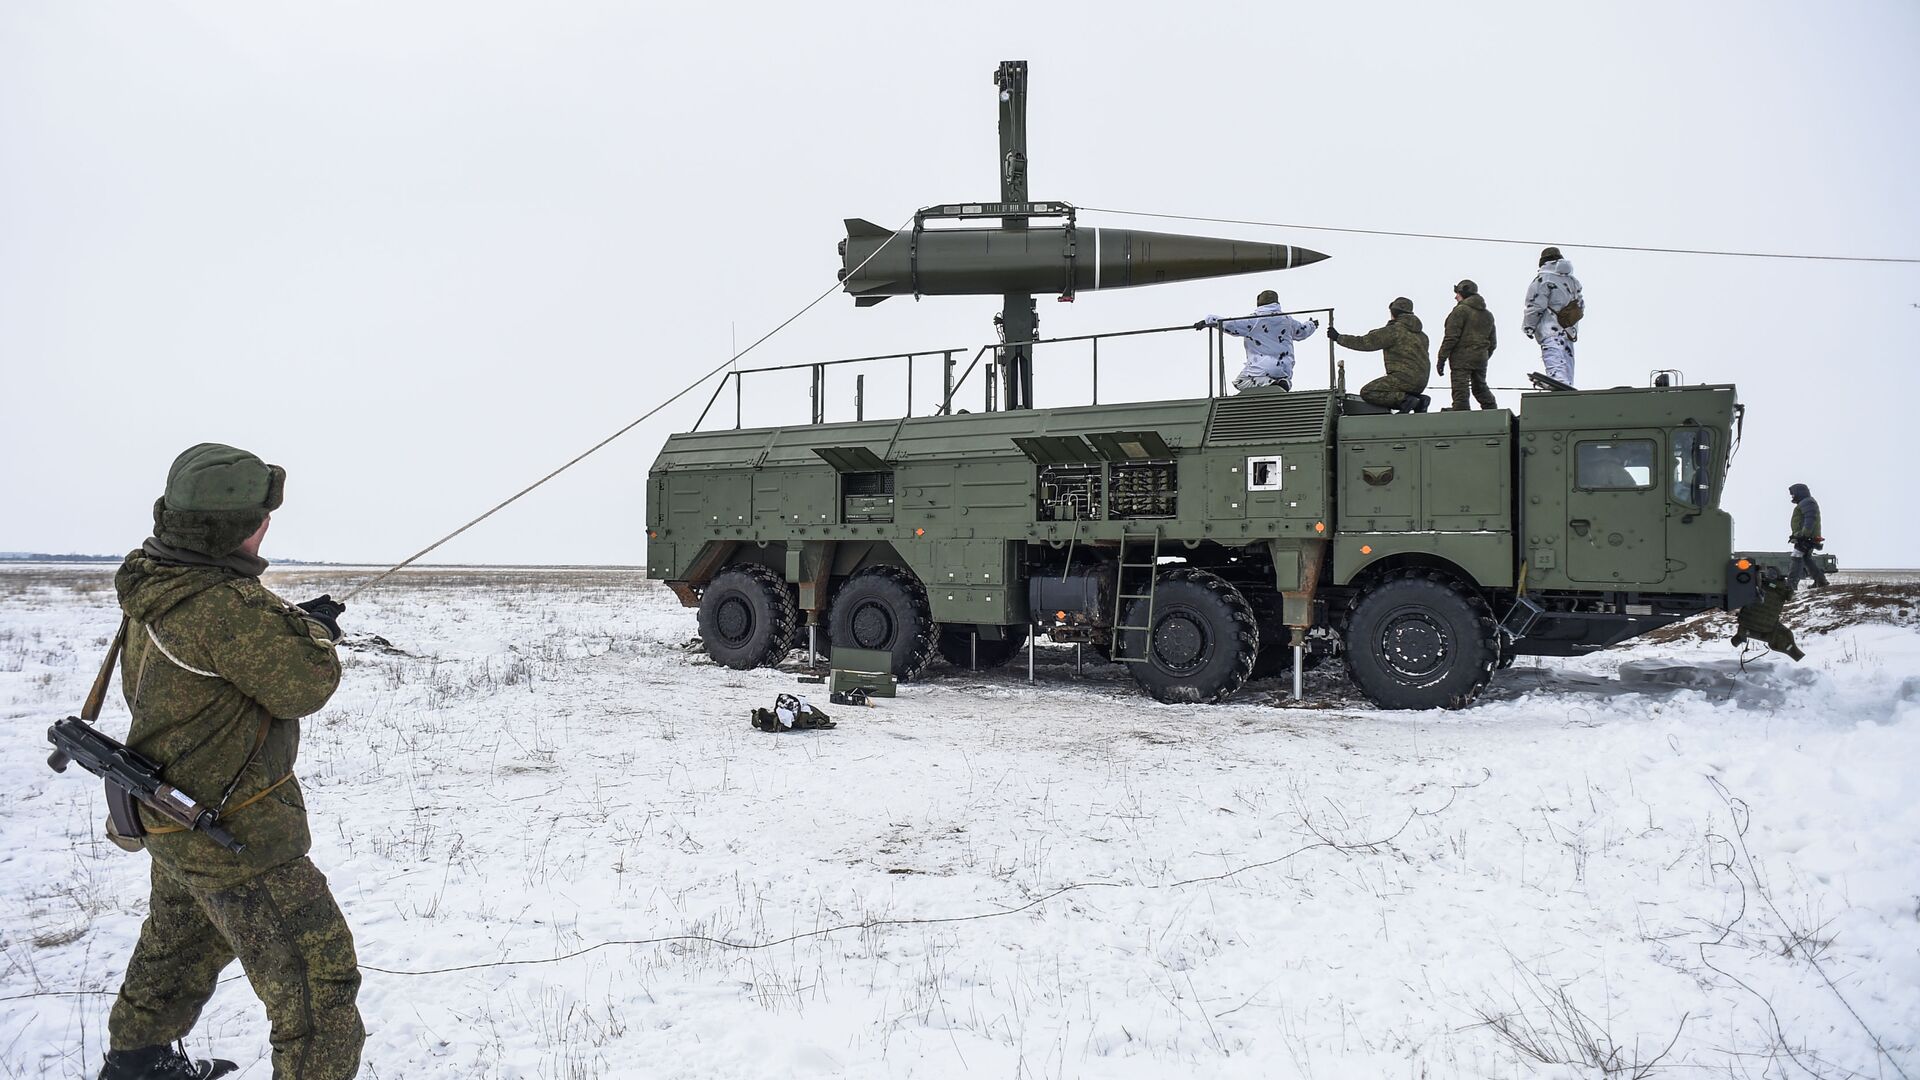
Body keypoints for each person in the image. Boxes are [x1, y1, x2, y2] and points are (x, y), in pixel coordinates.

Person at [100, 444, 363, 1080]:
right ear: (238, 529)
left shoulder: (157, 580)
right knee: (317, 983)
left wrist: (290, 625)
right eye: (259, 515)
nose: (266, 524)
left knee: (178, 948)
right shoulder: (226, 607)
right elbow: (304, 685)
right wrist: (314, 635)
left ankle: (136, 1066)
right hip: (234, 834)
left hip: (174, 820)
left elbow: (228, 656)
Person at [1196, 288, 1319, 391]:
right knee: (1284, 379)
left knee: (1240, 382)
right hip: (1285, 367)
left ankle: (1269, 384)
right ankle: (1284, 383)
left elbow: (1230, 325)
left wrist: (1208, 320)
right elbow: (1302, 331)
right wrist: (1312, 324)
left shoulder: (1255, 320)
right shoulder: (1287, 320)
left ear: (1258, 302)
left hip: (1261, 367)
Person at [1328, 297, 1431, 412]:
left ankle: (1406, 400)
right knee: (1395, 388)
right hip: (1421, 382)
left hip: (1403, 379)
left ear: (1394, 312)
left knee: (1368, 391)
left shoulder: (1394, 331)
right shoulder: (1422, 336)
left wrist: (1338, 337)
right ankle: (1420, 401)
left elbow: (1365, 342)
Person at [1522, 246, 1583, 386]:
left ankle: (1557, 380)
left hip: (1550, 327)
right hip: (1569, 328)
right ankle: (1567, 383)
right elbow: (1580, 304)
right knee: (1567, 357)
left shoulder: (1543, 279)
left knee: (1553, 352)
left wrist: (1529, 327)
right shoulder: (1573, 281)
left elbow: (1535, 306)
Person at [1436, 279, 1499, 410]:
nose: (1455, 296)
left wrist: (1441, 358)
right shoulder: (1488, 315)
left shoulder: (1460, 311)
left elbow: (1451, 338)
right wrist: (1483, 355)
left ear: (1464, 293)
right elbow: (1492, 343)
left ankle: (1461, 417)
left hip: (1461, 358)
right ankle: (1492, 412)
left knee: (1460, 390)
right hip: (1481, 358)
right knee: (1480, 387)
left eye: (1457, 293)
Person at [1732, 570, 1806, 661]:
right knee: (1786, 635)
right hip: (1766, 627)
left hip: (1745, 621)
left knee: (1783, 635)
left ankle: (1741, 635)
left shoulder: (1757, 583)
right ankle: (1797, 656)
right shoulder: (1784, 591)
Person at [1786, 482, 1829, 588]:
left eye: (1793, 494)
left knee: (1796, 556)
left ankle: (1791, 585)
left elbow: (1810, 519)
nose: (1792, 496)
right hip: (1806, 536)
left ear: (1799, 493)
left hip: (1806, 537)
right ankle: (1821, 581)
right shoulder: (1806, 502)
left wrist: (1803, 534)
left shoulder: (1807, 502)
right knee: (1806, 559)